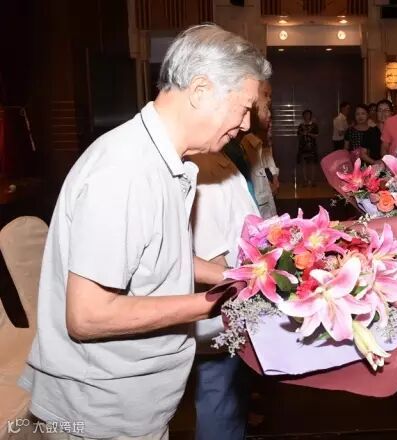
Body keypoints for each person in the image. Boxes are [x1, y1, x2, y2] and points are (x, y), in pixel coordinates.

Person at [18, 24, 271, 439]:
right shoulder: (125, 171)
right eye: (242, 108)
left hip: (134, 406)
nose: (245, 124)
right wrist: (215, 302)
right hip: (99, 413)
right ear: (201, 90)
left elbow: (156, 256)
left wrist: (238, 277)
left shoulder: (163, 161)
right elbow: (88, 315)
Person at [190, 148, 260, 440]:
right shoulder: (201, 168)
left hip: (237, 310)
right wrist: (256, 286)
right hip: (222, 316)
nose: (244, 126)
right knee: (220, 402)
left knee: (232, 401)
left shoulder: (222, 157)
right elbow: (212, 259)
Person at [241, 81, 279, 218]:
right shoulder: (243, 144)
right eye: (265, 94)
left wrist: (273, 179)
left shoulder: (258, 142)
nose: (268, 100)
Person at [360, 99, 392, 164]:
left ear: (391, 113)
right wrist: (374, 162)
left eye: (386, 110)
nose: (383, 113)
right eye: (380, 110)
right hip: (376, 167)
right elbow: (363, 154)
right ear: (376, 113)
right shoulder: (370, 132)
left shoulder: (395, 131)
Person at [297, 109, 319, 186]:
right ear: (303, 116)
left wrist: (309, 134)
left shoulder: (314, 125)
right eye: (305, 115)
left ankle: (313, 180)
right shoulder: (301, 126)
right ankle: (305, 180)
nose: (307, 116)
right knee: (304, 164)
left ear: (310, 116)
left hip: (312, 147)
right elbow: (298, 135)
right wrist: (303, 134)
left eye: (308, 114)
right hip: (303, 147)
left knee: (313, 164)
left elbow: (316, 135)